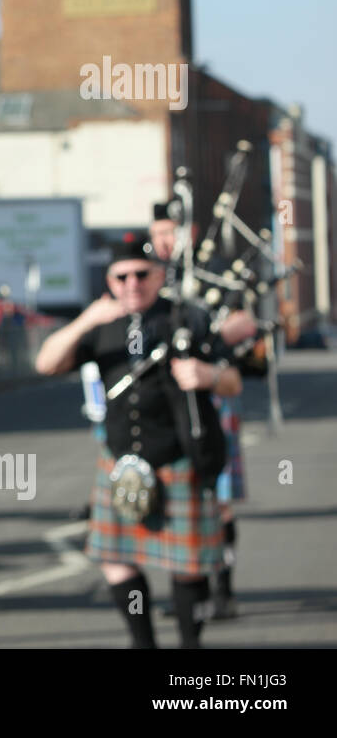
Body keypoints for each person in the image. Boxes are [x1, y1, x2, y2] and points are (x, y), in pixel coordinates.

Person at [36, 236, 240, 648]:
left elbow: (234, 379)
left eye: (141, 274)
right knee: (115, 563)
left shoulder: (189, 318)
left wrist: (209, 375)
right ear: (110, 280)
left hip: (179, 459)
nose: (132, 283)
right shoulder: (102, 325)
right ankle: (142, 642)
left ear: (160, 276)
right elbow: (46, 363)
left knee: (187, 568)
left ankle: (189, 644)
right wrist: (85, 320)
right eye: (122, 276)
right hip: (120, 464)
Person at [150, 200, 258, 619]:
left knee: (219, 499)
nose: (165, 240)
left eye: (172, 231)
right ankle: (187, 592)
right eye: (159, 232)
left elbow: (246, 323)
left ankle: (223, 591)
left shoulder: (214, 267)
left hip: (212, 391)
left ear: (188, 233)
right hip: (164, 399)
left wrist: (206, 327)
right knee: (175, 497)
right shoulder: (146, 276)